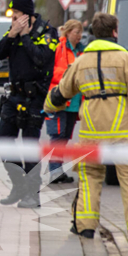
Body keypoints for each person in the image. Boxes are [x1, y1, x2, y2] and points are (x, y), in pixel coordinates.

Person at [46, 12, 128, 243]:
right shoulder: (127, 59)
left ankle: (85, 228)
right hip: (123, 131)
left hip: (91, 131)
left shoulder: (81, 61)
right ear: (115, 32)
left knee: (89, 177)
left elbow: (61, 92)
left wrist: (47, 106)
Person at [0, 0, 58, 208]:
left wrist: (25, 36)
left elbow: (41, 58)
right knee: (3, 140)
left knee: (30, 146)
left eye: (17, 16)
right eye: (12, 17)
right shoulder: (13, 31)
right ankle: (18, 185)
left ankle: (33, 193)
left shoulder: (47, 33)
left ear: (28, 15)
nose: (13, 20)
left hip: (34, 97)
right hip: (13, 96)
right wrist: (11, 35)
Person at [47, 19, 84, 185]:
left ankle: (58, 170)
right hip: (59, 99)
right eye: (76, 32)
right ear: (68, 32)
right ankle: (54, 171)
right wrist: (68, 73)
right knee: (57, 135)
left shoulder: (82, 50)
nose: (79, 36)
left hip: (75, 101)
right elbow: (50, 71)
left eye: (81, 33)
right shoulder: (58, 48)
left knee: (65, 136)